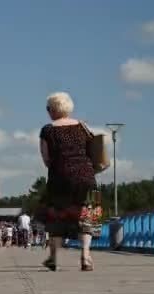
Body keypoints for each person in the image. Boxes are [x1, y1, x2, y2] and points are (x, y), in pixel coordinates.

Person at [39, 92, 97, 271]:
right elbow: (94, 150)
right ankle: (86, 257)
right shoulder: (83, 126)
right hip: (85, 176)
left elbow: (46, 159)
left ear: (53, 109)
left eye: (48, 108)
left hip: (60, 178)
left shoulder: (48, 130)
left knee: (57, 217)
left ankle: (53, 258)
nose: (47, 112)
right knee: (86, 216)